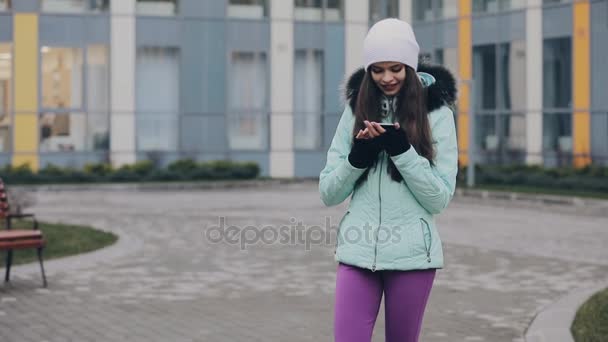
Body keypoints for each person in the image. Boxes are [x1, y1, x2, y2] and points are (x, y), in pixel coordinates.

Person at [318, 18, 458, 342]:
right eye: (377, 69)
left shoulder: (438, 115)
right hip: (358, 251)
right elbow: (328, 192)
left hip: (412, 257)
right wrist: (358, 159)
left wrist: (402, 151)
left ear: (410, 66)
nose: (387, 77)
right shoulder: (355, 111)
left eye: (395, 67)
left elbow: (439, 198)